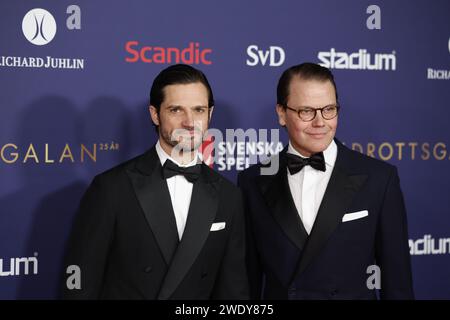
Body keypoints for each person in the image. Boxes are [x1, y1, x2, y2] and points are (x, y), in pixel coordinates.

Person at [62, 64, 249, 299]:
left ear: (210, 114)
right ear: (155, 114)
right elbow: (79, 283)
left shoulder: (228, 196)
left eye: (199, 110)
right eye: (176, 110)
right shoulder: (111, 188)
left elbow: (234, 291)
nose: (190, 122)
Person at [238, 62, 414, 300]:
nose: (320, 122)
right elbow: (246, 283)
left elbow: (397, 285)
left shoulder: (379, 179)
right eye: (307, 111)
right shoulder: (252, 182)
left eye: (329, 109)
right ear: (281, 113)